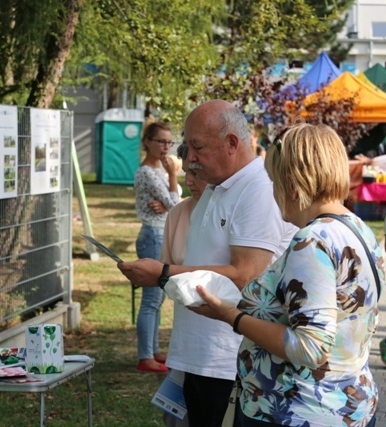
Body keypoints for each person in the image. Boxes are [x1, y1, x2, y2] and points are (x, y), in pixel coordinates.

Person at [190, 123, 382, 427]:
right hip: (348, 405)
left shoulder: (312, 241)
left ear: (291, 183)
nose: (273, 192)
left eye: (273, 180)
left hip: (297, 411)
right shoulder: (357, 228)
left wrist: (231, 317)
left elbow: (311, 347)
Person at [118, 100, 296, 426]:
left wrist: (164, 274)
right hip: (198, 357)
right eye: (188, 146)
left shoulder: (258, 189)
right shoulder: (214, 188)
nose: (191, 157)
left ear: (231, 143)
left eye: (197, 146)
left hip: (229, 363)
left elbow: (246, 275)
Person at [159, 143, 208, 426]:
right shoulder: (178, 213)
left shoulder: (233, 212)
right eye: (186, 171)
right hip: (184, 345)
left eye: (197, 173)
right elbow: (165, 273)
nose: (188, 180)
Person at [134, 121, 181, 372]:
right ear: (148, 142)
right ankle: (145, 357)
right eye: (161, 141)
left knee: (159, 296)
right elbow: (176, 201)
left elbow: (174, 200)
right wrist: (174, 176)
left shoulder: (159, 171)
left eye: (169, 142)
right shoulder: (148, 172)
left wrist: (168, 201)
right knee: (151, 298)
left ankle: (153, 349)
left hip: (161, 232)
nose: (166, 147)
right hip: (153, 235)